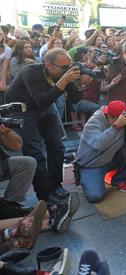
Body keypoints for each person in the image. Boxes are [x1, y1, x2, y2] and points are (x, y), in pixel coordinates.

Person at [6, 48, 80, 233]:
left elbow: (77, 98)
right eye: (64, 67)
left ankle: (56, 186)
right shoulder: (31, 71)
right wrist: (64, 80)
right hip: (24, 111)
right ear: (48, 65)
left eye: (69, 66)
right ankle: (44, 195)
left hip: (45, 109)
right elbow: (41, 99)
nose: (67, 69)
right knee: (35, 153)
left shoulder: (60, 73)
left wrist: (78, 81)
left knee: (57, 146)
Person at [76, 100, 126, 203]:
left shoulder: (122, 122)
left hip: (109, 159)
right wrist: (116, 126)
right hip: (92, 164)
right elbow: (99, 144)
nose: (123, 121)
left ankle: (119, 180)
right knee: (95, 196)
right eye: (120, 118)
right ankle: (85, 178)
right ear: (110, 116)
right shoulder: (94, 122)